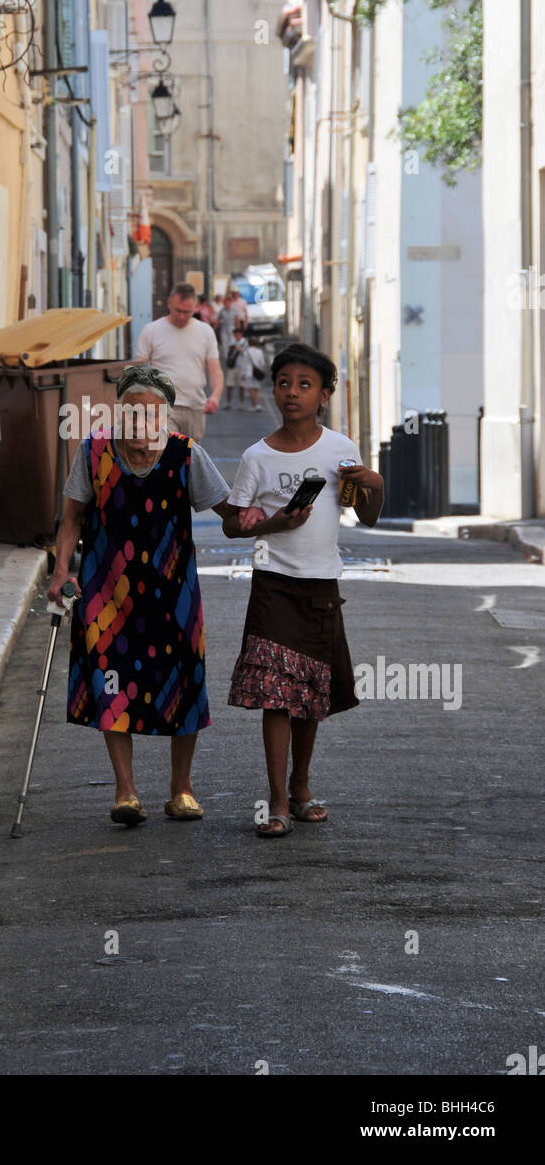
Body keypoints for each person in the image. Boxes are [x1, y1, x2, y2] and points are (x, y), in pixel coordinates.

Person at [48, 365, 238, 826]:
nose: (141, 421)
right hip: (106, 590)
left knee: (183, 681)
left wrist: (273, 519)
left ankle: (182, 789)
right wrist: (59, 572)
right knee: (110, 682)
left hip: (173, 592)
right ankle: (126, 790)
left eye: (152, 413)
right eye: (131, 411)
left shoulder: (186, 455)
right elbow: (72, 517)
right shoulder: (94, 451)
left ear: (167, 418)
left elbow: (231, 515)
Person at [222, 342, 384, 837]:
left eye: (305, 384)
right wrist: (273, 523)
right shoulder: (256, 457)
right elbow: (233, 524)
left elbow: (366, 514)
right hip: (273, 587)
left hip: (320, 588)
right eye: (284, 382)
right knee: (275, 695)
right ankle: (275, 800)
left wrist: (374, 482)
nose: (292, 392)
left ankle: (301, 784)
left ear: (324, 394)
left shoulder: (340, 450)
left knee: (310, 694)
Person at [133, 282, 224, 443]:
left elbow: (215, 371)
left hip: (196, 406)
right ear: (169, 304)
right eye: (178, 311)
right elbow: (138, 369)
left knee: (191, 459)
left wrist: (215, 397)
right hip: (163, 406)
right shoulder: (151, 330)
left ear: (195, 308)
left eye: (187, 312)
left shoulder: (205, 332)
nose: (181, 316)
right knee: (167, 454)